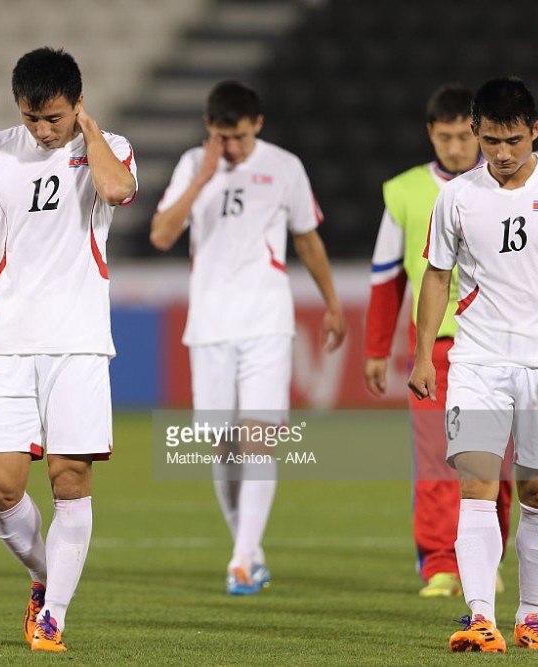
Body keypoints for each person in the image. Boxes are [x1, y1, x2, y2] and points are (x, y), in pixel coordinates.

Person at [0, 46, 136, 653]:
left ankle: (52, 616)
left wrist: (86, 130)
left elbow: (116, 190)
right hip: (9, 343)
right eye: (32, 118)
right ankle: (42, 575)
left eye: (53, 117)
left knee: (70, 477)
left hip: (79, 344)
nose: (42, 130)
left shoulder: (108, 146)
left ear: (76, 104)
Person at [150, 80, 345, 596]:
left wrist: (330, 304)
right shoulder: (194, 164)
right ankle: (249, 551)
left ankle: (239, 560)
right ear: (208, 131)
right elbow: (162, 235)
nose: (229, 146)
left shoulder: (285, 166)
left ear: (257, 125)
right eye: (219, 136)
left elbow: (307, 238)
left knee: (259, 439)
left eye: (236, 136)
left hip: (266, 320)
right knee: (223, 448)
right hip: (210, 325)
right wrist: (203, 179)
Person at [409, 76, 538, 652]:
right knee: (475, 482)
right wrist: (423, 353)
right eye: (490, 140)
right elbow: (437, 276)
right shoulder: (458, 196)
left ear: (536, 130)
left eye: (513, 140)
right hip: (478, 360)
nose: (501, 153)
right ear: (475, 132)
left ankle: (530, 616)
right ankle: (479, 618)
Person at [364, 84, 513, 598]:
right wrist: (377, 349)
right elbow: (387, 279)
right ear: (431, 133)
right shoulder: (404, 192)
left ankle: (486, 557)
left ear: (476, 132)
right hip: (438, 350)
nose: (455, 147)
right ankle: (439, 565)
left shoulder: (505, 187)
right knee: (435, 461)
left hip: (499, 345)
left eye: (461, 136)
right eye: (443, 137)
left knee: (499, 465)